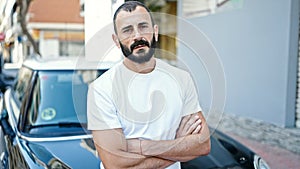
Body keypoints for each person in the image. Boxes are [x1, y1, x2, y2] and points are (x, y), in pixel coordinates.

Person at [87, 1, 210, 169]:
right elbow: (115, 164)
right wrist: (178, 146)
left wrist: (142, 146)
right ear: (116, 41)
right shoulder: (101, 89)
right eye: (127, 30)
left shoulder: (181, 79)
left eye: (143, 26)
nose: (137, 36)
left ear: (155, 32)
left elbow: (202, 145)